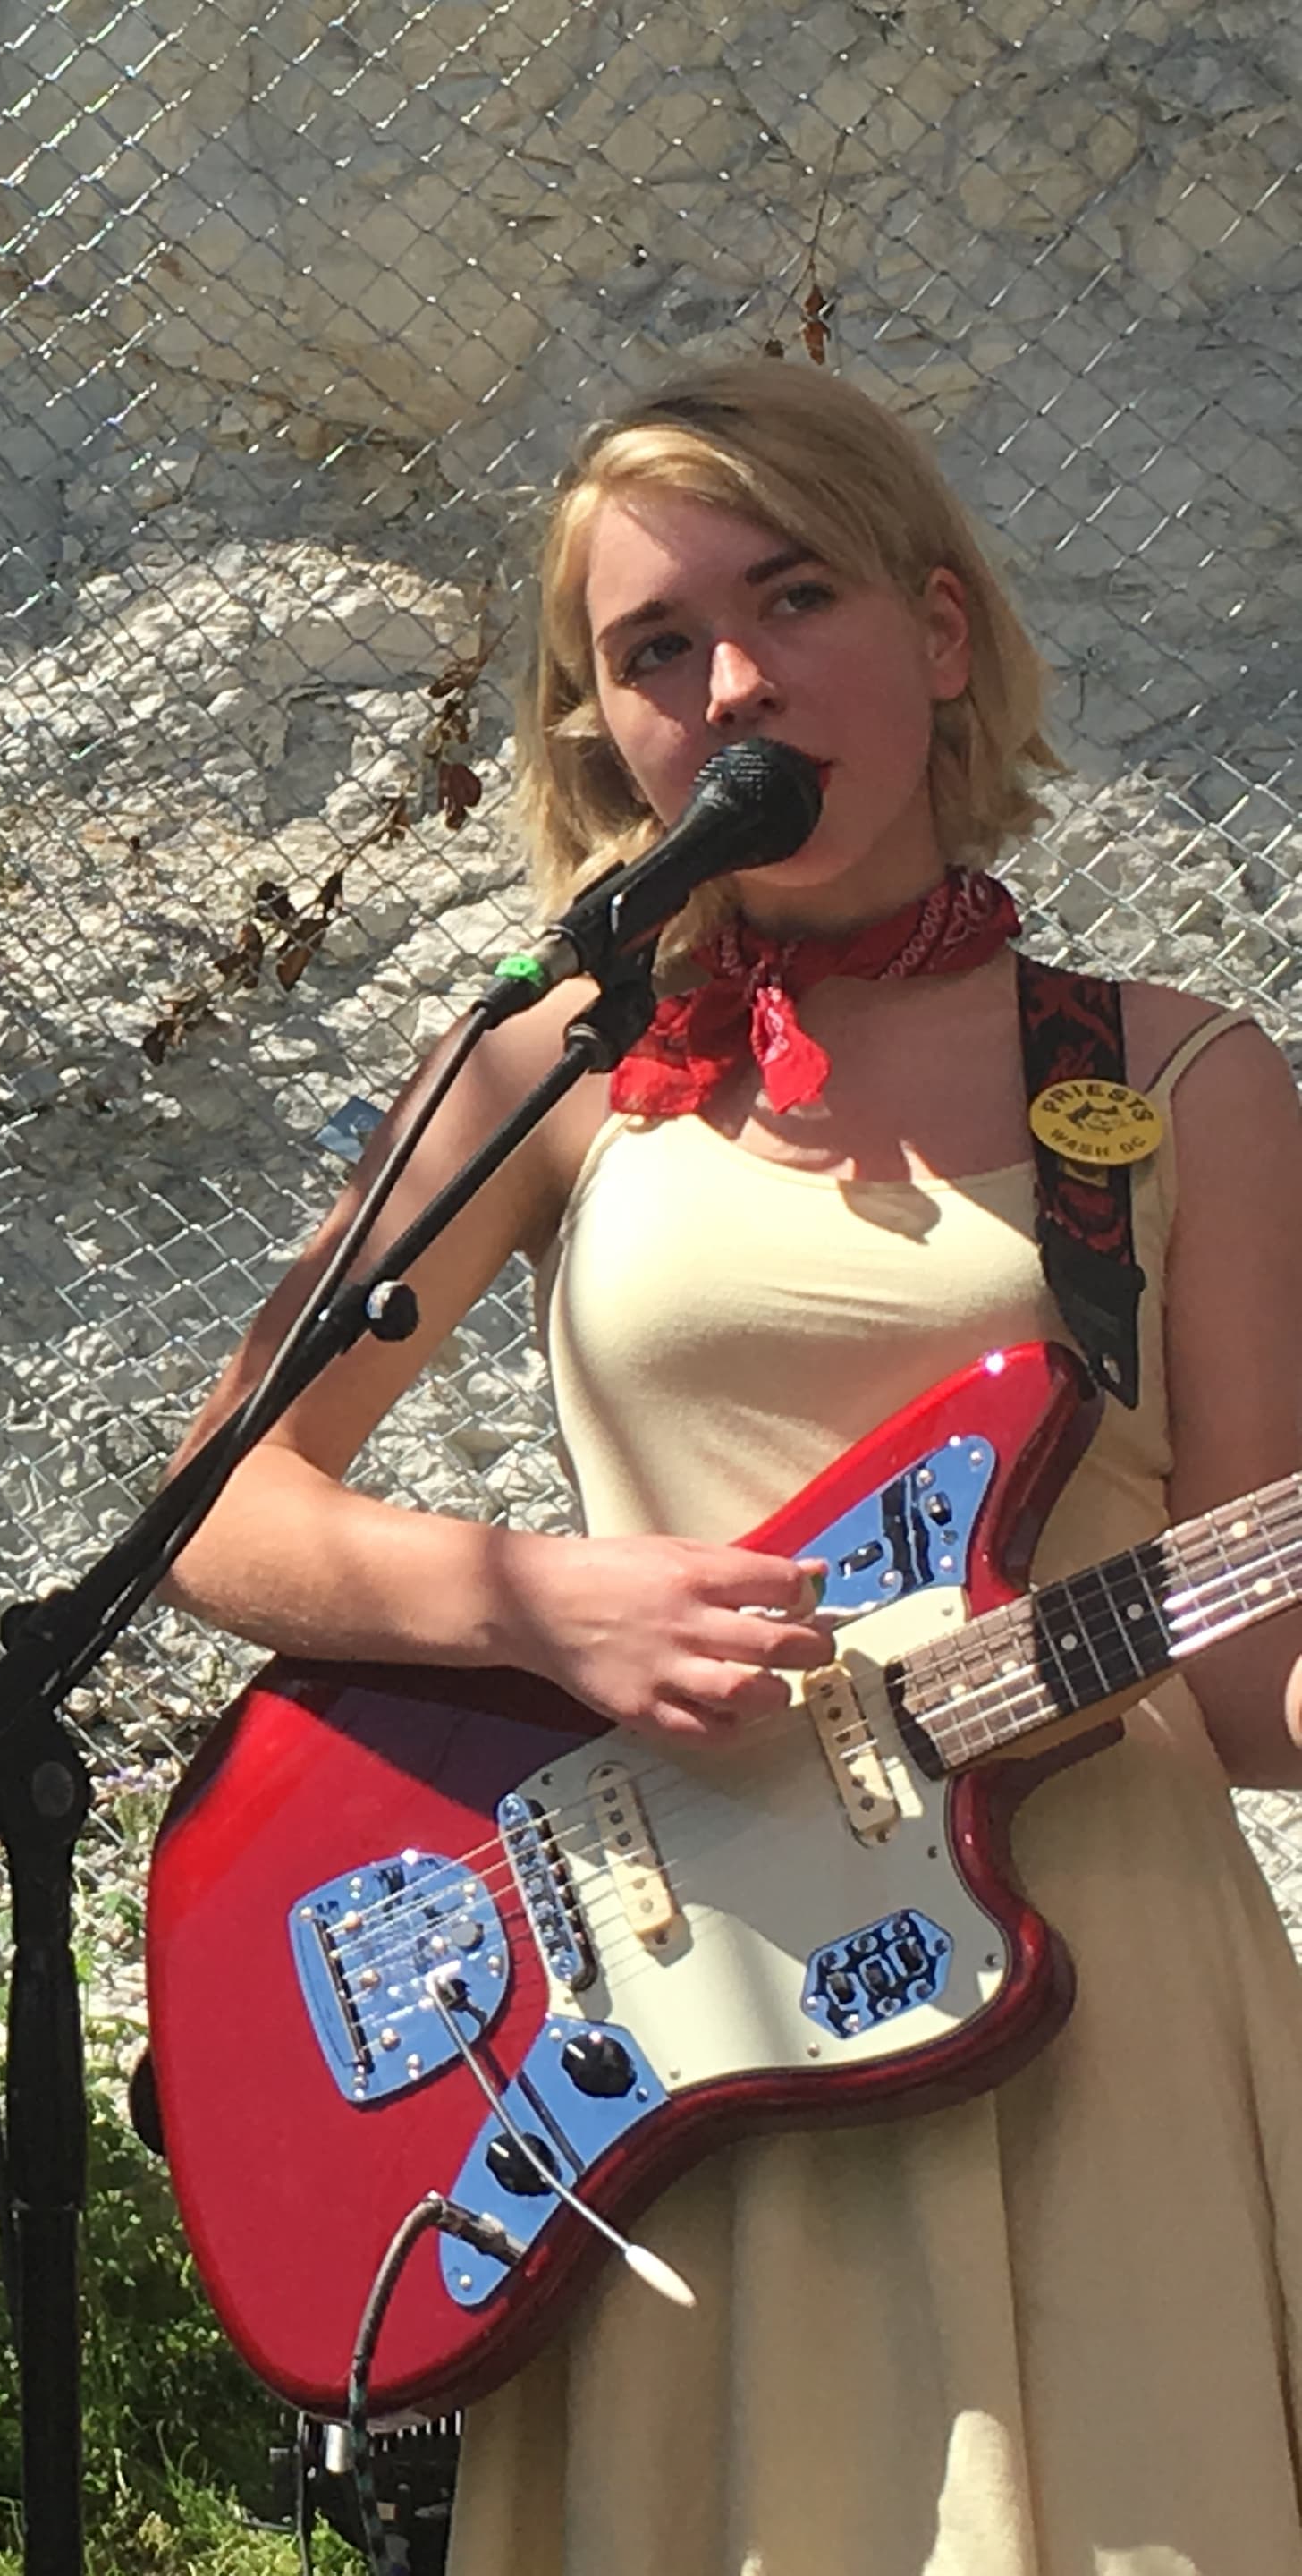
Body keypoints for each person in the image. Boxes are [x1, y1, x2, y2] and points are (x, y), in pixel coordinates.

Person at [156, 359, 1302, 2572]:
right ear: (604, 728)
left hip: (1112, 2026)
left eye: (794, 599)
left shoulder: (1187, 1082)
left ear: (941, 635)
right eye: (654, 648)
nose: (734, 681)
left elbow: (1253, 1682)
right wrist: (543, 1602)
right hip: (692, 2025)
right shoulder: (551, 1069)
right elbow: (231, 1499)